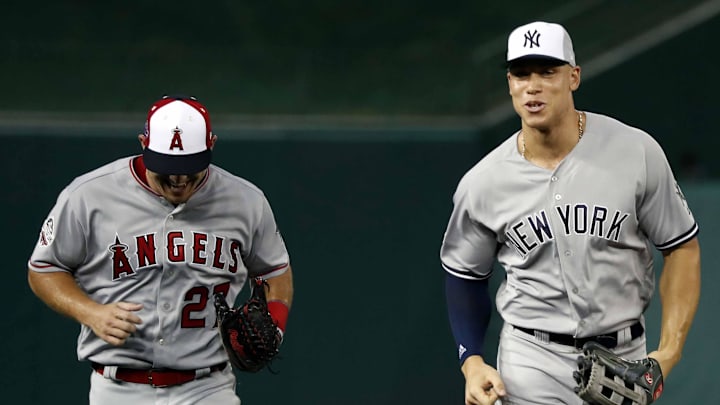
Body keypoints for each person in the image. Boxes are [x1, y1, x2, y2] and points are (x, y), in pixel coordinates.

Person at [440, 21, 701, 405]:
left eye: (548, 72)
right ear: (510, 84)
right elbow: (464, 274)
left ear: (574, 77)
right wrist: (472, 360)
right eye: (521, 73)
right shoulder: (484, 182)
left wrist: (669, 352)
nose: (533, 85)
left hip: (624, 358)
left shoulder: (635, 151)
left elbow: (681, 247)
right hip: (531, 362)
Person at [27, 95, 294, 405]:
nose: (179, 179)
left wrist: (274, 326)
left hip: (207, 387)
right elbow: (44, 269)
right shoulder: (89, 196)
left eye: (188, 168)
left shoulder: (246, 201)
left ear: (212, 145)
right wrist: (90, 312)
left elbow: (275, 272)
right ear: (143, 143)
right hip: (118, 388)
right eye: (167, 168)